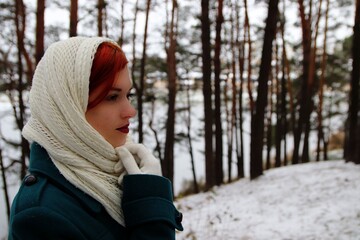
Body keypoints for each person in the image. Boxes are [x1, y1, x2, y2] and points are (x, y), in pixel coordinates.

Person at [8, 37, 183, 240]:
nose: (130, 111)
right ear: (68, 107)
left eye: (129, 95)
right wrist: (151, 208)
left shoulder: (117, 172)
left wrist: (148, 194)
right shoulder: (39, 216)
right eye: (112, 97)